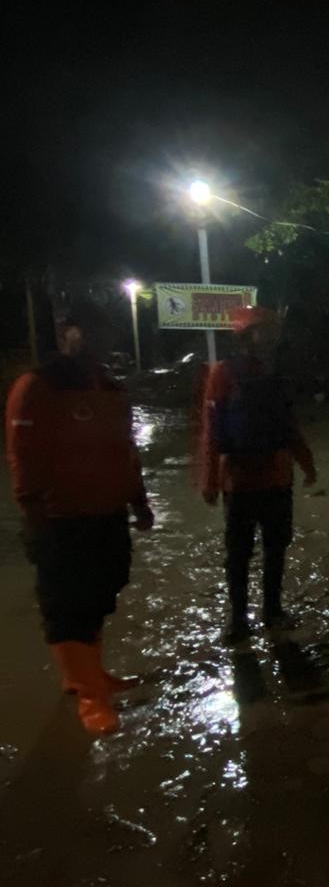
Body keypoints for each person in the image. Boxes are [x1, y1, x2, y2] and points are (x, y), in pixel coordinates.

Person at [5, 301, 154, 735]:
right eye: (88, 329)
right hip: (60, 518)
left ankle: (89, 673)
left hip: (107, 513)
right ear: (65, 332)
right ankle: (89, 694)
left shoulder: (109, 388)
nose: (99, 338)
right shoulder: (37, 386)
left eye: (106, 329)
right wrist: (33, 511)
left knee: (102, 589)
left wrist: (139, 501)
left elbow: (127, 451)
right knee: (66, 601)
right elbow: (23, 454)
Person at [201, 306, 316, 644]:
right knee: (257, 550)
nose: (267, 338)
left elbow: (288, 426)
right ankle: (258, 615)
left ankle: (253, 617)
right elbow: (213, 432)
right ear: (248, 336)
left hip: (253, 479)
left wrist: (306, 464)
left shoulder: (230, 373)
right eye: (262, 331)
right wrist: (209, 479)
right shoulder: (242, 373)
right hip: (258, 479)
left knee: (257, 549)